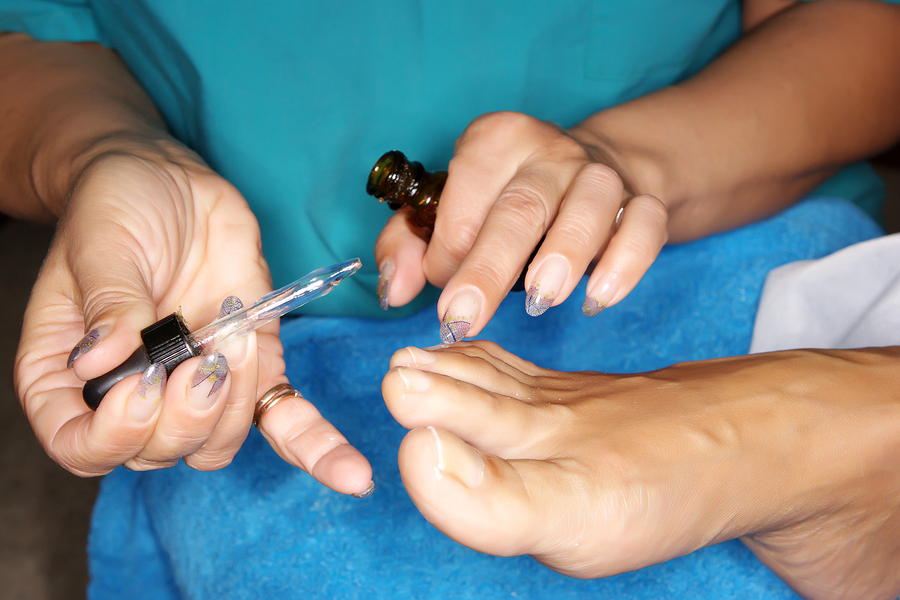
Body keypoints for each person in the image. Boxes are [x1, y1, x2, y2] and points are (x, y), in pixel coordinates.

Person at [1, 0, 899, 598]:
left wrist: (631, 161)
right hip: (281, 372)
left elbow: (861, 27)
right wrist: (104, 154)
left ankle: (818, 432)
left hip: (717, 229)